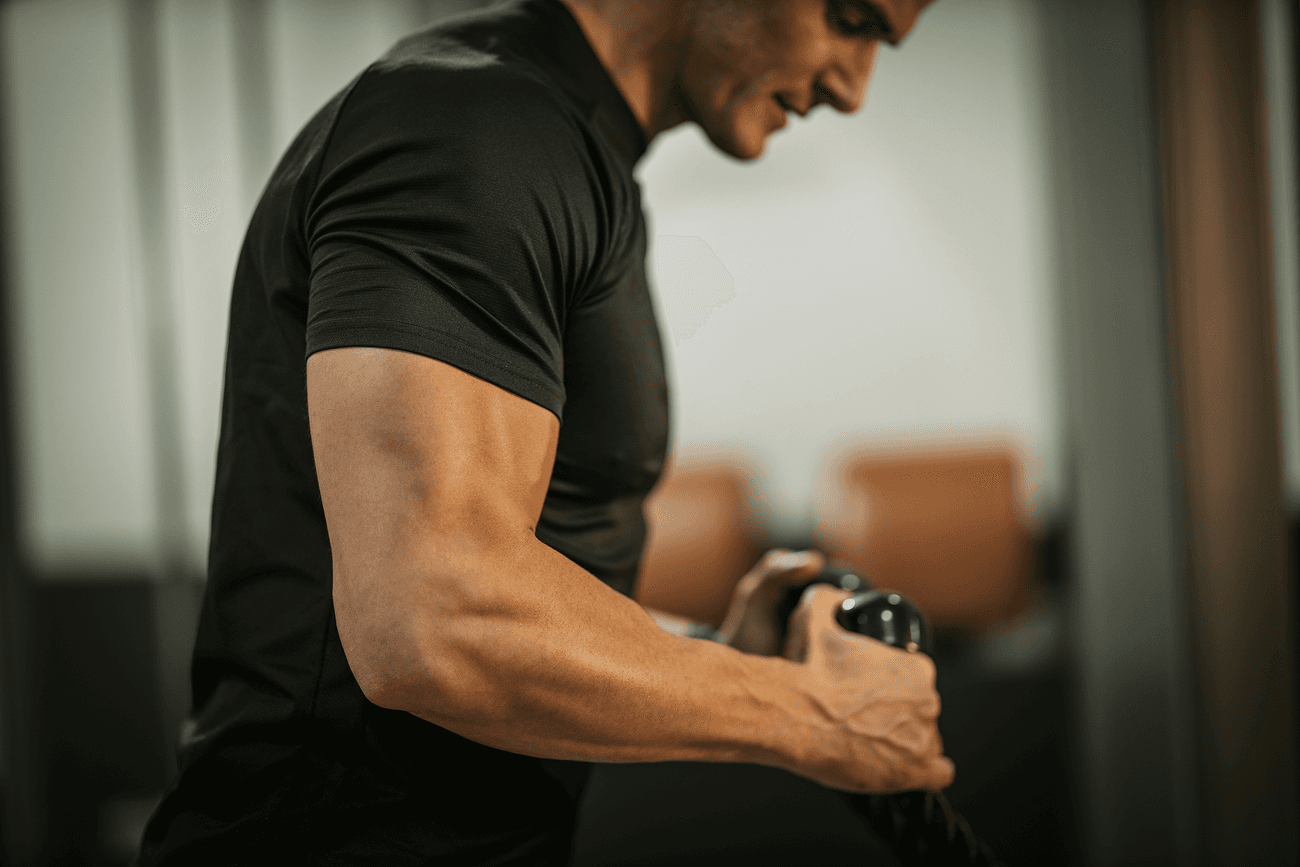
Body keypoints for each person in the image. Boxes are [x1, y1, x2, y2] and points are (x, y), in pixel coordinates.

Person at [136, 0, 949, 864]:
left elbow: (498, 577)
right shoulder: (472, 129)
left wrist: (723, 657)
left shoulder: (562, 148)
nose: (853, 88)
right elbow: (432, 618)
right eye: (851, 17)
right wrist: (809, 715)